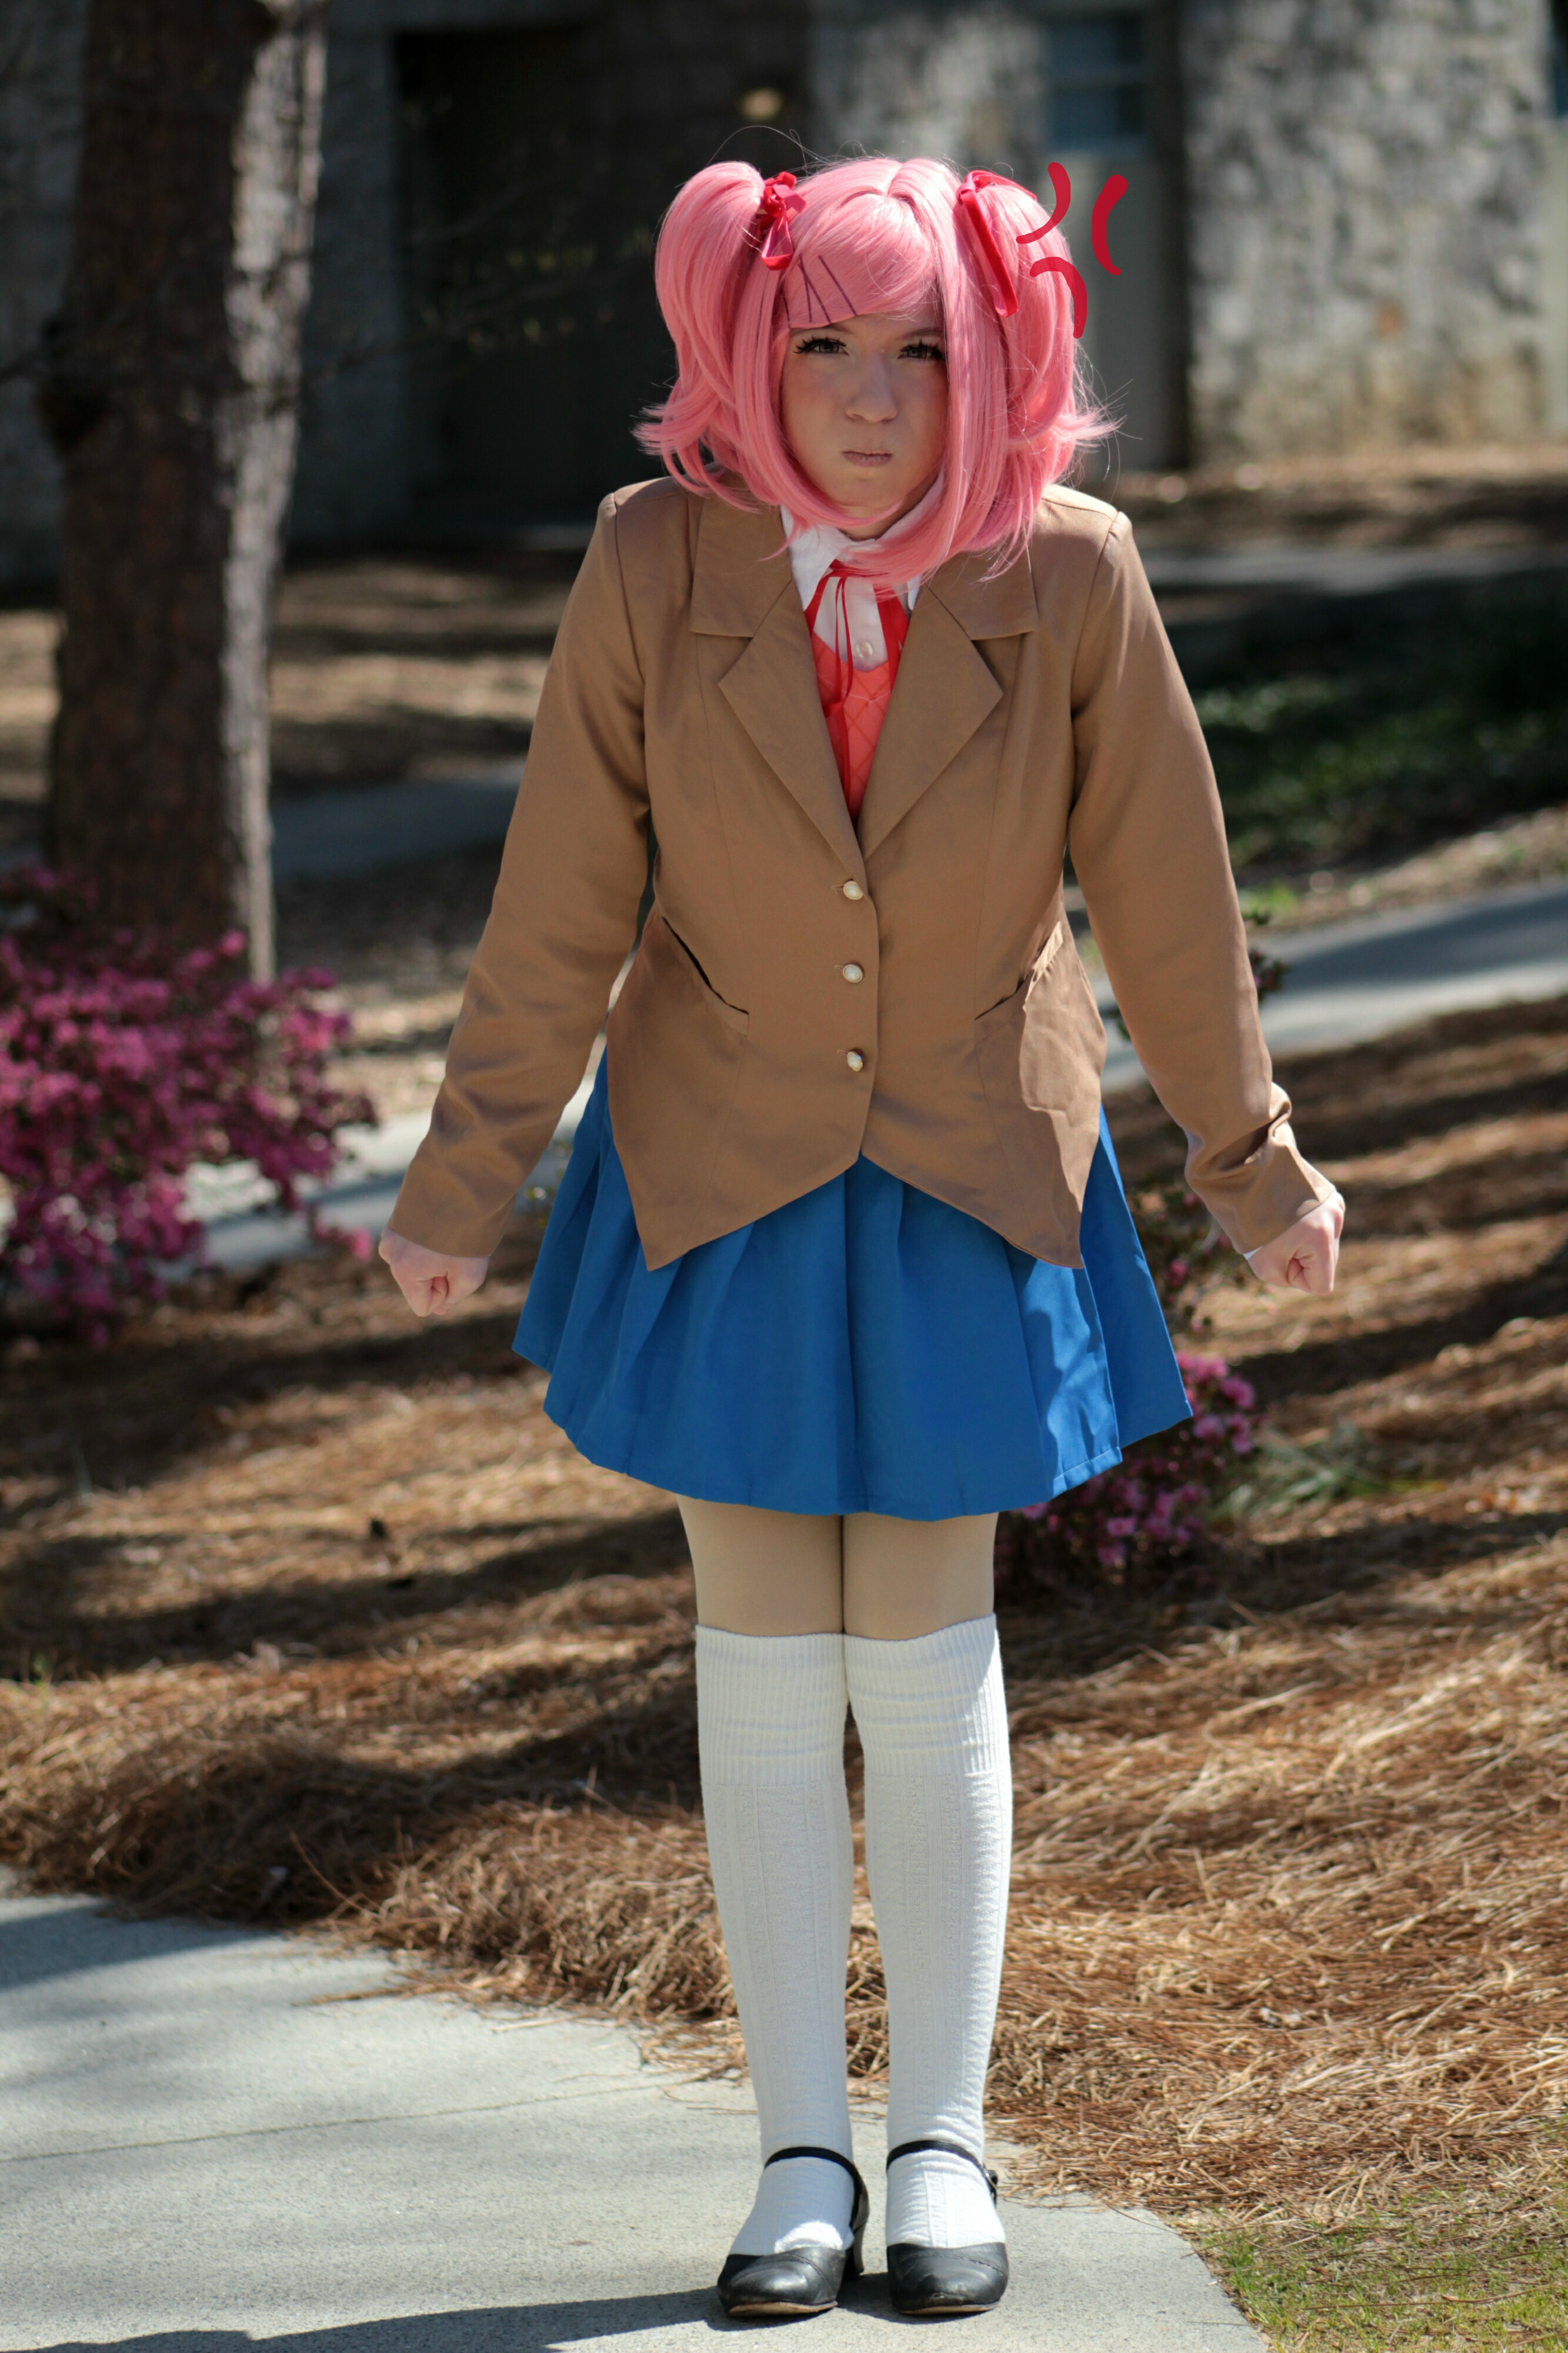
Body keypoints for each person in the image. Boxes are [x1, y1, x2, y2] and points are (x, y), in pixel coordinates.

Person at [378, 154, 1344, 2322]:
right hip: (715, 1169)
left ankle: (940, 2146)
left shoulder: (1068, 568)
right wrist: (461, 1179)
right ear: (747, 350)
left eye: (922, 348)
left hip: (967, 1170)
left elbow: (1165, 890)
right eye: (823, 343)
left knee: (920, 1661)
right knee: (758, 1662)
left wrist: (1252, 1157)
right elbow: (560, 887)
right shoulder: (650, 559)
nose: (874, 394)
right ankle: (797, 2152)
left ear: (995, 359)